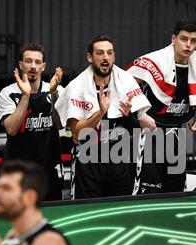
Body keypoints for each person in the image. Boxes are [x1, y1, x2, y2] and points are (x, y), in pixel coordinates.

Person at [55, 35, 151, 199]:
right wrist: (100, 112)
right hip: (88, 161)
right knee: (88, 215)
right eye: (100, 53)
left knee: (119, 213)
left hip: (120, 161)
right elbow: (77, 133)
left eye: (109, 53)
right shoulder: (77, 86)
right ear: (90, 57)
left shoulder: (126, 81)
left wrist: (128, 116)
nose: (105, 57)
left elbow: (139, 131)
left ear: (114, 56)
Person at [126, 19, 196, 194]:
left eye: (193, 40)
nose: (188, 45)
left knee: (176, 189)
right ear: (173, 38)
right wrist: (141, 113)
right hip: (152, 132)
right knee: (149, 189)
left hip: (177, 132)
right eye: (184, 39)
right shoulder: (154, 60)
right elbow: (124, 82)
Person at [0, 43, 64, 201]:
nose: (33, 66)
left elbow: (60, 124)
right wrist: (26, 96)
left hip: (49, 170)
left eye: (37, 62)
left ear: (43, 66)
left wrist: (54, 94)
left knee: (52, 219)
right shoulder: (8, 93)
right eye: (28, 61)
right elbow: (11, 129)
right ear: (21, 65)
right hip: (18, 172)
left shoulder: (56, 90)